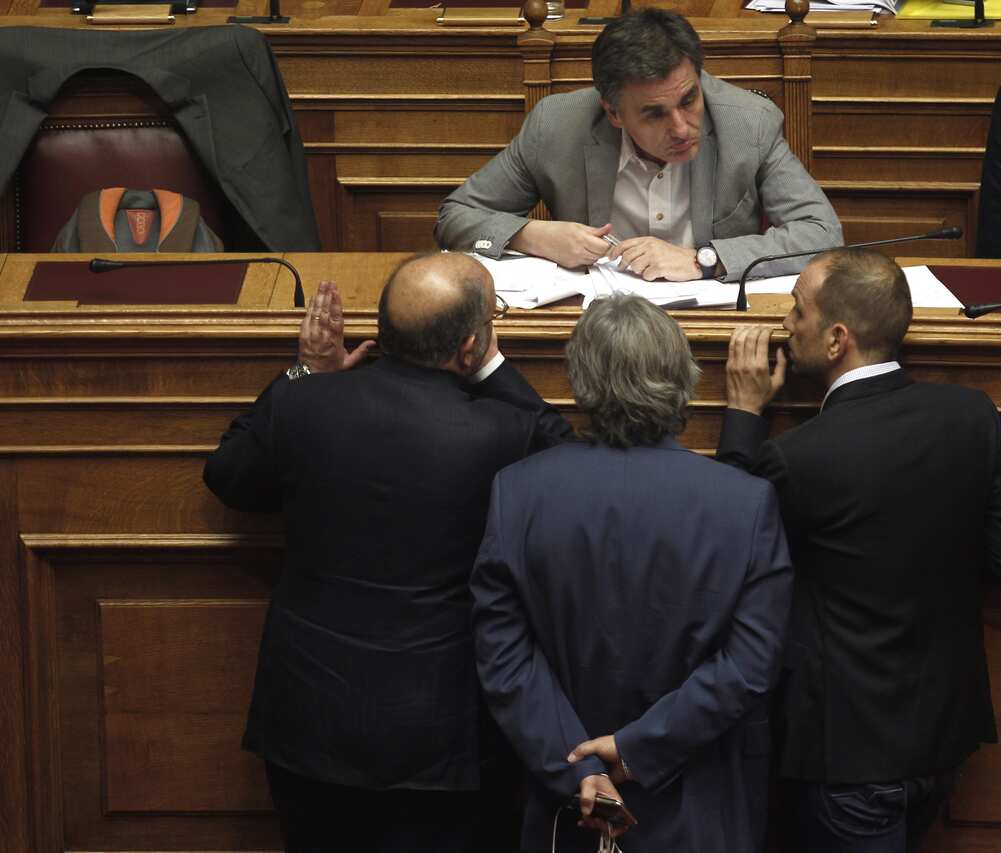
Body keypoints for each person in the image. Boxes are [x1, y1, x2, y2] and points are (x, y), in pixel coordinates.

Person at [203, 253, 572, 853]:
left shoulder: (304, 403)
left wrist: (305, 370)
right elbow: (565, 456)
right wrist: (490, 364)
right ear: (470, 346)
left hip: (309, 721)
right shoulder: (503, 432)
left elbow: (229, 475)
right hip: (438, 736)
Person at [717, 248, 1001, 852]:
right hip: (942, 743)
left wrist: (742, 415)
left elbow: (723, 559)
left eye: (797, 310)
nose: (786, 323)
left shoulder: (800, 457)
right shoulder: (972, 415)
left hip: (848, 757)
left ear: (837, 339)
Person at [471, 294, 793, 853]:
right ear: (682, 380)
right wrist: (636, 748)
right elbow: (749, 664)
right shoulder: (746, 503)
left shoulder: (518, 492)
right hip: (696, 801)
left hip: (569, 797)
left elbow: (504, 655)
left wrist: (579, 764)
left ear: (580, 383)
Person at [435, 9, 841, 283]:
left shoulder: (749, 123)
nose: (681, 128)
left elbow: (823, 235)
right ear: (614, 112)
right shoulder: (557, 126)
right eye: (654, 114)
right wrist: (531, 235)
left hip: (709, 320)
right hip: (596, 324)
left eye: (689, 100)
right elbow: (455, 217)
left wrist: (704, 260)